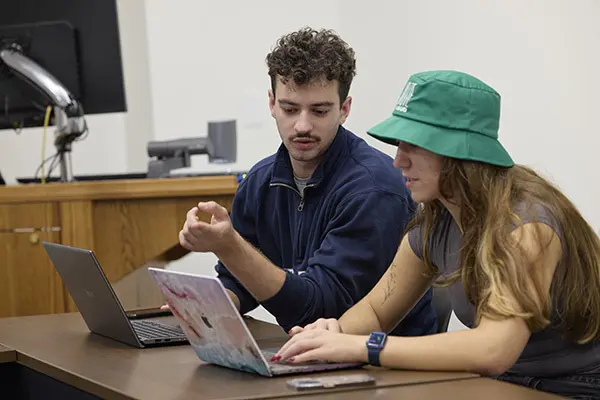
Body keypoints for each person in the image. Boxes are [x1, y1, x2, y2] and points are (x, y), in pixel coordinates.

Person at [274, 70, 600, 399]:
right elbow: (376, 311)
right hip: (503, 385)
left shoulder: (527, 226)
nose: (398, 160)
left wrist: (366, 347)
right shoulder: (437, 218)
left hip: (574, 387)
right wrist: (333, 334)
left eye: (413, 146)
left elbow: (493, 350)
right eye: (399, 145)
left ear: (460, 154)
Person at [177, 28, 438, 337]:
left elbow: (322, 310)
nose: (302, 125)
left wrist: (230, 247)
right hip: (311, 353)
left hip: (389, 368)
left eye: (319, 111)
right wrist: (204, 307)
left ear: (344, 109)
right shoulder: (261, 180)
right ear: (272, 104)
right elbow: (239, 281)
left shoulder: (375, 188)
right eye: (289, 109)